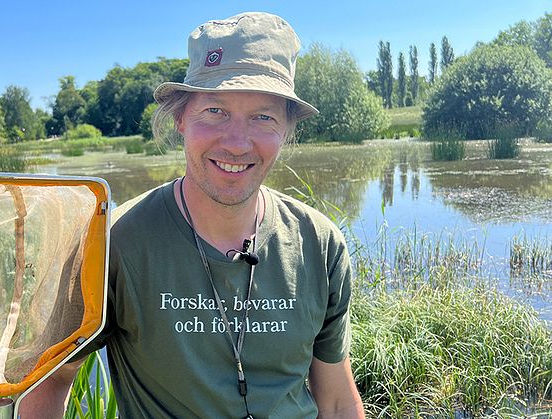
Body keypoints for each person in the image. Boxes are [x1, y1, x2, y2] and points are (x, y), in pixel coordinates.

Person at [22, 11, 365, 418]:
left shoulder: (320, 244)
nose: (237, 144)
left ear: (286, 131)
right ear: (182, 117)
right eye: (215, 111)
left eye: (263, 117)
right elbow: (51, 382)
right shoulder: (113, 244)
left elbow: (338, 400)